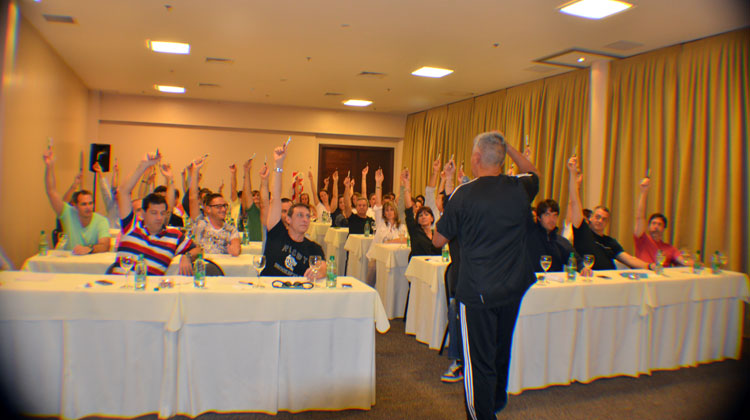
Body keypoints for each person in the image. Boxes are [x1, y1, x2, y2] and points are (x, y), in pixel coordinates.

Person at [433, 131, 539, 419]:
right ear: (503, 159)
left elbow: (437, 241)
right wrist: (509, 147)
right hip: (512, 288)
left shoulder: (463, 195)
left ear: (477, 158)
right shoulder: (519, 188)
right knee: (500, 351)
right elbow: (533, 171)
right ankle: (494, 403)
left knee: (477, 361)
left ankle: (481, 414)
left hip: (477, 291)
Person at [116, 152, 198, 275]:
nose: (159, 217)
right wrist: (143, 166)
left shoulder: (173, 236)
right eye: (154, 213)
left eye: (162, 213)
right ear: (143, 213)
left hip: (151, 290)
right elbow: (123, 192)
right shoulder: (132, 226)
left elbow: (198, 249)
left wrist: (187, 256)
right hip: (120, 286)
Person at [567, 156, 650, 270]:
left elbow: (629, 259)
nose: (600, 221)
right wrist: (572, 173)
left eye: (604, 219)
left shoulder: (610, 242)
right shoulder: (581, 230)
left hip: (610, 279)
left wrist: (650, 266)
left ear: (607, 223)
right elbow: (574, 201)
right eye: (597, 217)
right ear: (590, 218)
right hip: (588, 279)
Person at [261, 142, 326, 280]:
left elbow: (323, 266)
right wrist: (278, 165)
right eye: (300, 215)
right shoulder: (276, 233)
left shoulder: (314, 248)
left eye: (308, 216)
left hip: (296, 295)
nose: (305, 219)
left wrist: (322, 271)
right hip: (269, 291)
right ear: (288, 219)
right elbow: (275, 197)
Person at [43, 147, 111, 255]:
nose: (88, 207)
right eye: (84, 204)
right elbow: (51, 191)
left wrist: (90, 249)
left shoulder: (101, 221)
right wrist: (49, 167)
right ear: (75, 206)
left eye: (90, 203)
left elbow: (105, 245)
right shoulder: (68, 213)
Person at [188, 157, 241, 256]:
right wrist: (195, 171)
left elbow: (236, 247)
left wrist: (235, 248)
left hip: (221, 270)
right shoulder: (200, 223)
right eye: (218, 206)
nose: (223, 209)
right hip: (202, 267)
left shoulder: (231, 229)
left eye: (224, 206)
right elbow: (192, 198)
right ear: (208, 209)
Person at [365, 168, 407, 285]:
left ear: (395, 211)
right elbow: (378, 203)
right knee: (372, 269)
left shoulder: (401, 227)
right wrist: (378, 183)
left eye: (391, 210)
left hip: (395, 258)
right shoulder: (381, 223)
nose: (389, 212)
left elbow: (405, 240)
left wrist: (389, 243)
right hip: (377, 257)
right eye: (386, 210)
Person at [634, 177, 689, 266]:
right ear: (648, 226)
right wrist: (643, 193)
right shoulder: (641, 239)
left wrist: (693, 263)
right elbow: (640, 217)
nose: (656, 226)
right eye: (653, 223)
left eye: (659, 224)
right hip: (645, 275)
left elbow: (684, 262)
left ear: (663, 228)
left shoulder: (670, 248)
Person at [527, 199, 587, 273]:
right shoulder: (528, 238)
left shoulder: (560, 241)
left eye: (555, 215)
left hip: (556, 282)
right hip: (534, 281)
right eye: (547, 215)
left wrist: (583, 268)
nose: (552, 219)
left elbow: (575, 259)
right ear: (539, 218)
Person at [402, 168, 442, 259]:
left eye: (426, 214)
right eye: (420, 215)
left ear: (432, 218)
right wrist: (406, 184)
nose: (423, 217)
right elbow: (408, 209)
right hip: (418, 268)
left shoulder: (436, 235)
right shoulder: (415, 231)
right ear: (418, 220)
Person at [342, 169, 375, 235]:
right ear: (356, 207)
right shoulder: (352, 217)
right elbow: (347, 204)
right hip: (353, 244)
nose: (362, 207)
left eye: (364, 205)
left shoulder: (371, 221)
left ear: (367, 207)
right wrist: (347, 187)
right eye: (359, 205)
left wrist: (364, 177)